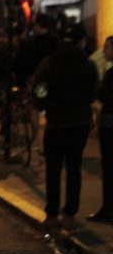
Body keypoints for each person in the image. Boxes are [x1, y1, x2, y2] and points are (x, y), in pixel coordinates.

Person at [31, 24, 99, 230]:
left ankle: (52, 214)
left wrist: (44, 105)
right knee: (73, 168)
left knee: (53, 169)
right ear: (82, 41)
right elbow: (93, 93)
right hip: (79, 122)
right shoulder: (88, 65)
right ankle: (70, 213)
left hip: (56, 122)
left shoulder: (49, 63)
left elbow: (39, 89)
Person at [87, 36, 113, 223]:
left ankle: (108, 209)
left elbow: (103, 96)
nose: (104, 51)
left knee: (109, 167)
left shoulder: (111, 74)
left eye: (107, 47)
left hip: (110, 124)